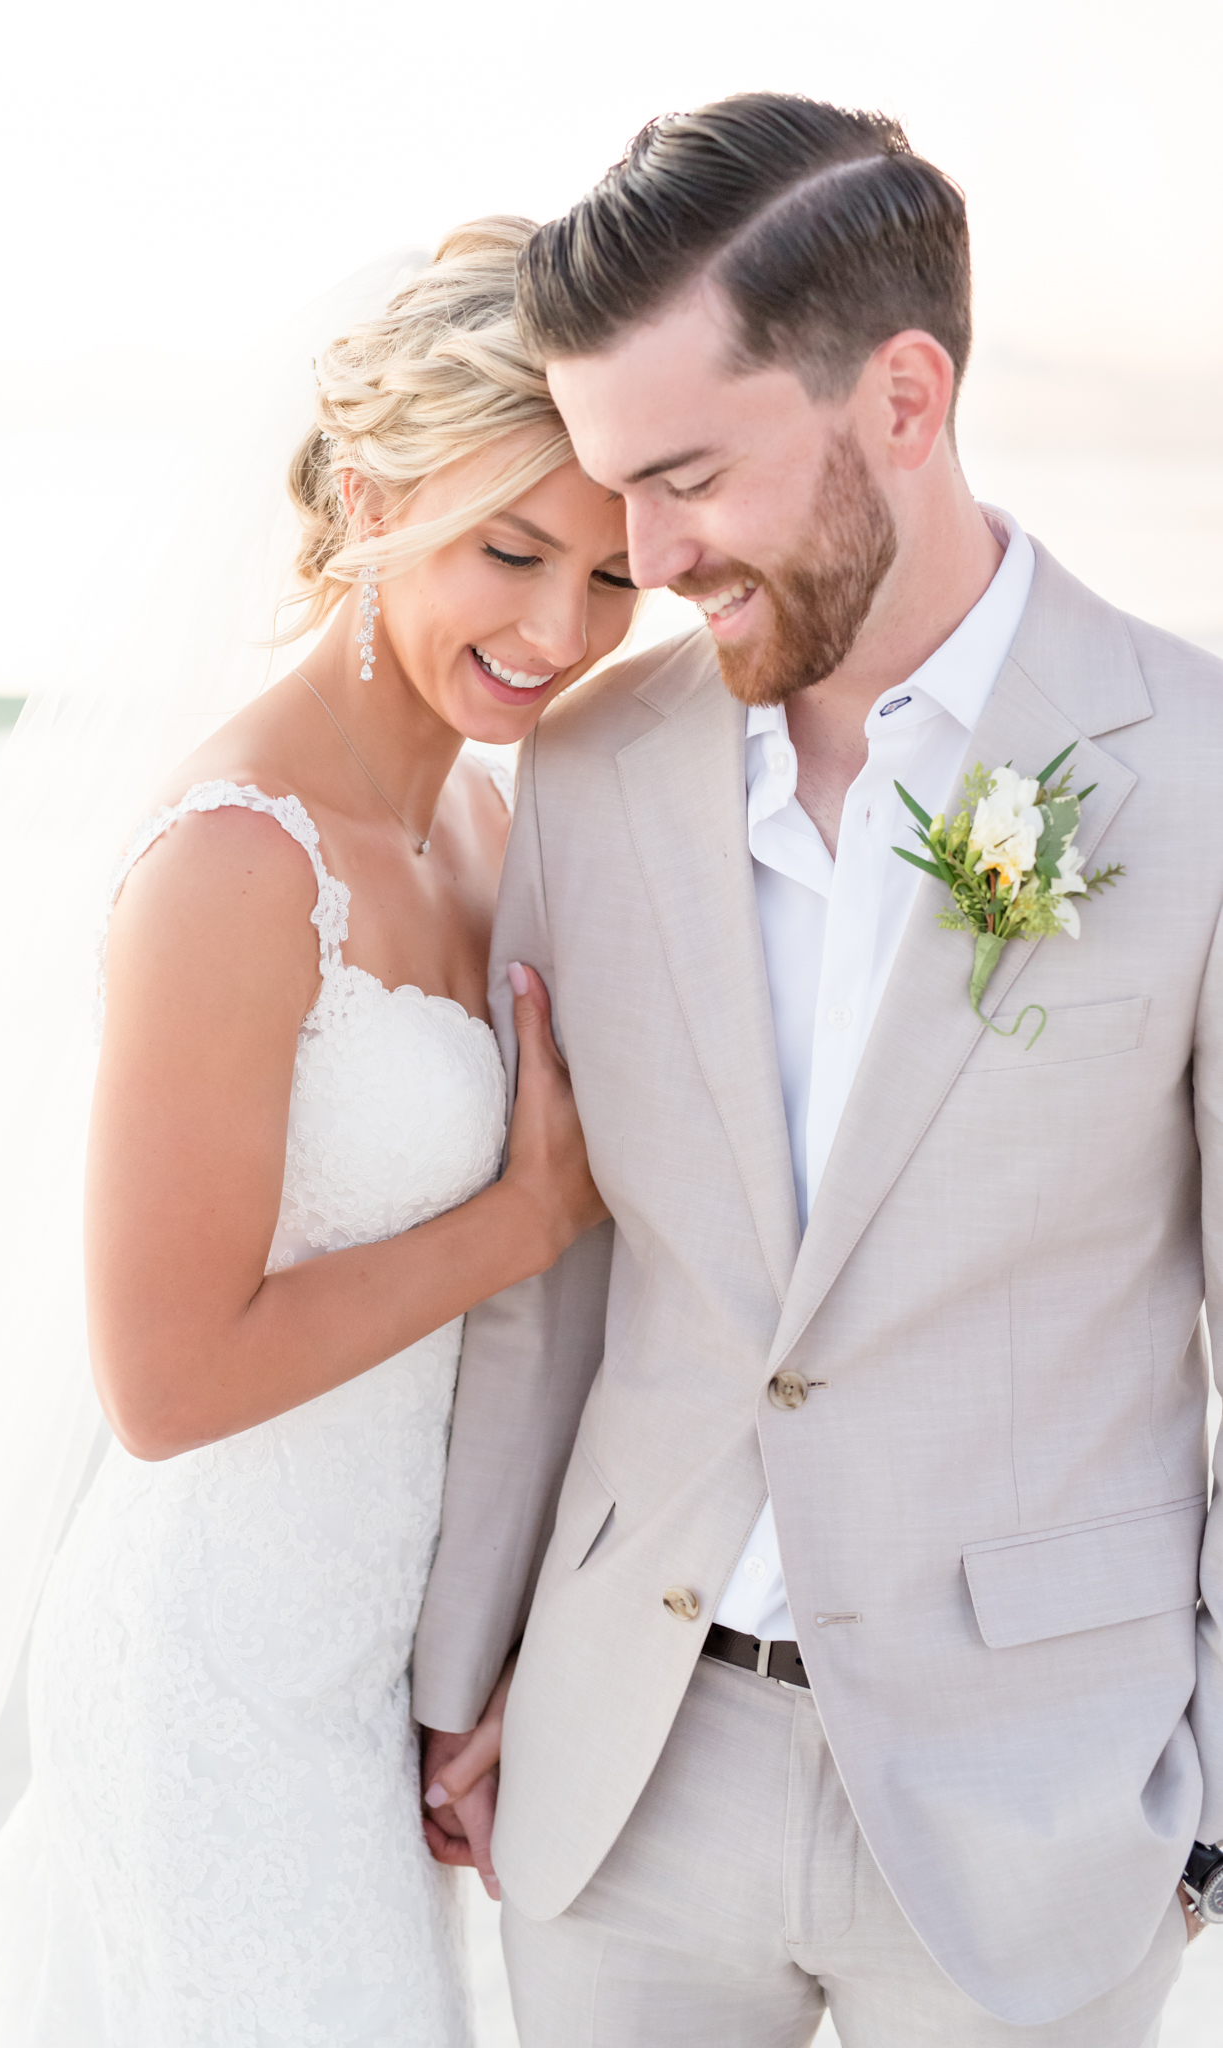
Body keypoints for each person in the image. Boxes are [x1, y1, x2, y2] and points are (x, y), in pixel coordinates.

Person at [413, 96, 1223, 2046]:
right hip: (624, 1782)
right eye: (616, 485)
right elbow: (556, 1267)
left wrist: (1205, 1803)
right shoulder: (591, 770)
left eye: (687, 475)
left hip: (1035, 1806)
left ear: (903, 399)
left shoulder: (1191, 771)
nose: (643, 555)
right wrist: (466, 1665)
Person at [0, 218, 636, 2046]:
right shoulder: (235, 860)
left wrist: (489, 1661)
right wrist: (513, 1225)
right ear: (368, 496)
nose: (559, 632)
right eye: (507, 553)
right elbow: (164, 1378)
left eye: (612, 579)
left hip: (366, 1676)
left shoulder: (488, 827)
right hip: (211, 1682)